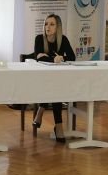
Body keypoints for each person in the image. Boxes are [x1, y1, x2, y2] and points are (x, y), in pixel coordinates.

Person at [31, 13, 75, 141]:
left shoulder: (63, 39)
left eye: (51, 24)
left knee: (56, 86)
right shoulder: (39, 39)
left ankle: (41, 110)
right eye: (46, 24)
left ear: (58, 27)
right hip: (41, 77)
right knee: (55, 88)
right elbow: (38, 58)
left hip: (57, 77)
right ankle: (59, 126)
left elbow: (72, 57)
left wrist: (61, 58)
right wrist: (53, 59)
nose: (47, 27)